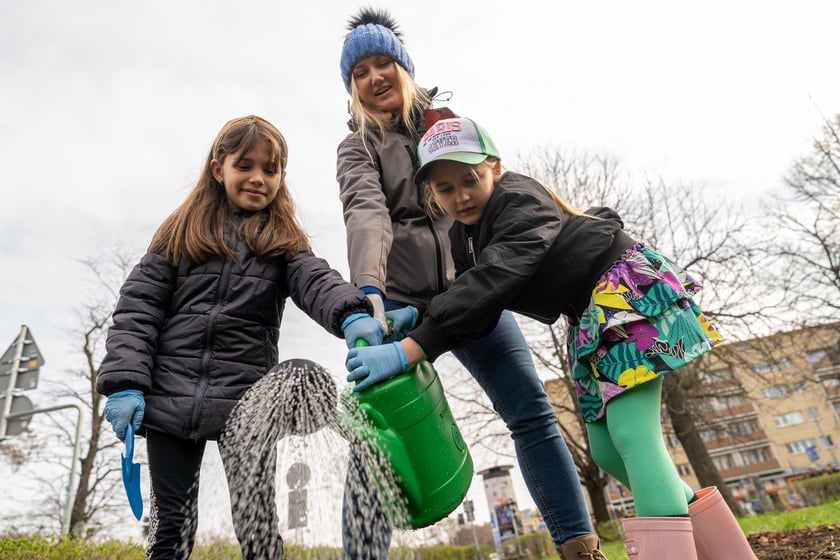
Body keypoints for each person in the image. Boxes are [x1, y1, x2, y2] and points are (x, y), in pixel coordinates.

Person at [346, 116, 759, 560]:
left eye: (470, 179)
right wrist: (418, 314)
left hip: (623, 298)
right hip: (589, 317)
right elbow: (472, 300)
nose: (460, 195)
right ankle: (729, 553)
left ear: (496, 169)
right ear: (431, 192)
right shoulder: (466, 235)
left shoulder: (521, 201)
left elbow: (493, 280)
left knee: (634, 438)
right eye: (445, 188)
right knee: (607, 451)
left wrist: (412, 350)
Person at [336, 8, 605, 560]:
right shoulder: (356, 147)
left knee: (530, 409)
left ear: (404, 68)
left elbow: (490, 202)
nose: (374, 77)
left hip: (474, 288)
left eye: (383, 63)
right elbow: (367, 214)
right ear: (352, 87)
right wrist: (370, 294)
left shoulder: (447, 125)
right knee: (375, 434)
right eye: (360, 72)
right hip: (397, 305)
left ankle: (579, 547)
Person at [96, 115, 384, 560]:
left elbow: (316, 281)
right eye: (244, 165)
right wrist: (125, 384)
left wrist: (350, 313)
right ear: (218, 168)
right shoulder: (179, 235)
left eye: (271, 169)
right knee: (169, 526)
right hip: (170, 399)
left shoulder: (282, 242)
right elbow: (137, 312)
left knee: (257, 523)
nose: (258, 178)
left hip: (247, 407)